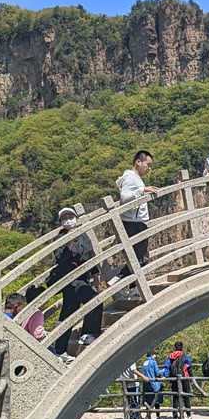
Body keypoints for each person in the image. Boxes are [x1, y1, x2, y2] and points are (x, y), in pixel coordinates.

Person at [46, 207, 103, 364]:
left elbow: (90, 255)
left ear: (76, 218)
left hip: (82, 278)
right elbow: (61, 259)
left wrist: (95, 275)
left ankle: (60, 350)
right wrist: (69, 240)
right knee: (95, 301)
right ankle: (88, 334)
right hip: (70, 279)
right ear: (60, 222)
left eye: (71, 217)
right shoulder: (60, 238)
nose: (68, 220)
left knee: (68, 314)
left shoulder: (83, 235)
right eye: (64, 218)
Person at [116, 150, 160, 296]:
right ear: (138, 162)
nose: (149, 168)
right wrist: (143, 190)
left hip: (135, 222)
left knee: (138, 257)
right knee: (140, 257)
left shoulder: (134, 178)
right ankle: (120, 280)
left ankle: (131, 287)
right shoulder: (131, 177)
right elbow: (124, 197)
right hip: (133, 223)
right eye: (148, 164)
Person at [163, 341, 193, 419]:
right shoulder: (185, 357)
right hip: (184, 378)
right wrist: (191, 378)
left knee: (175, 397)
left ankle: (175, 416)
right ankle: (188, 414)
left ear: (175, 347)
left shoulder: (170, 356)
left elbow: (166, 367)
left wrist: (167, 376)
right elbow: (189, 368)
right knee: (186, 396)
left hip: (174, 379)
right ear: (182, 347)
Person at [140, 350, 164, 419]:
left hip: (146, 385)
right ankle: (158, 417)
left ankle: (149, 417)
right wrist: (164, 370)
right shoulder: (153, 362)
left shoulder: (144, 363)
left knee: (148, 402)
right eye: (154, 355)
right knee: (157, 401)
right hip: (154, 384)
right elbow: (157, 372)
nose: (155, 356)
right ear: (151, 355)